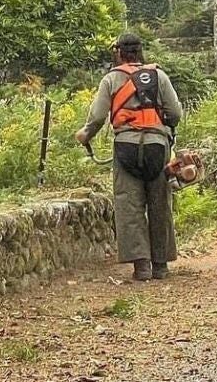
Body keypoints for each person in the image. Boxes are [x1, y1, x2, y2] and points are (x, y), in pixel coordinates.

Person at [75, 34, 184, 281]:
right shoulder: (159, 75)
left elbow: (97, 116)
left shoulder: (111, 79)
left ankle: (141, 266)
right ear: (140, 52)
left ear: (118, 53)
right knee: (159, 202)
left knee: (129, 203)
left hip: (126, 147)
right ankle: (160, 265)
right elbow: (175, 113)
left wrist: (85, 134)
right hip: (157, 146)